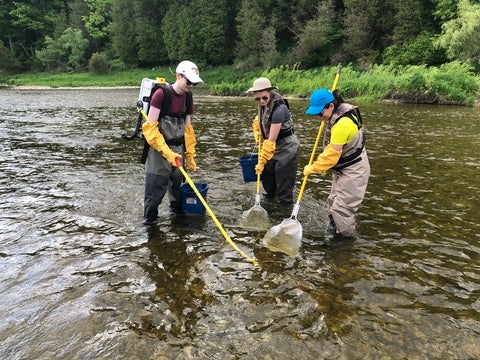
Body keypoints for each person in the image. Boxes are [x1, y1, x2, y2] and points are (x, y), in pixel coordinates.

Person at [141, 60, 203, 225]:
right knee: (155, 192)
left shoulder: (188, 97)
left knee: (177, 189)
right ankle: (149, 225)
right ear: (178, 76)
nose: (191, 85)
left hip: (178, 148)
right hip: (158, 150)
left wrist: (189, 155)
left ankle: (177, 220)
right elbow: (150, 129)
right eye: (188, 81)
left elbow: (188, 128)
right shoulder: (161, 94)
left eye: (194, 83)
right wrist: (167, 152)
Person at [303, 88, 370, 238]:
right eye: (317, 114)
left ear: (331, 106)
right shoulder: (336, 113)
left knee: (341, 210)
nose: (319, 117)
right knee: (332, 203)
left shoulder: (342, 124)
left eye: (321, 113)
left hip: (354, 170)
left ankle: (345, 242)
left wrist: (313, 168)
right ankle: (335, 232)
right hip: (344, 168)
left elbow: (331, 157)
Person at [246, 77, 300, 205]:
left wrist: (261, 162)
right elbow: (259, 119)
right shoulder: (262, 104)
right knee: (268, 181)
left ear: (270, 92)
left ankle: (284, 212)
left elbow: (271, 141)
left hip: (286, 149)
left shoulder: (279, 110)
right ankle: (269, 204)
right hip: (272, 147)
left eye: (264, 97)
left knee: (283, 185)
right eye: (257, 99)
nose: (261, 101)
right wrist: (257, 130)